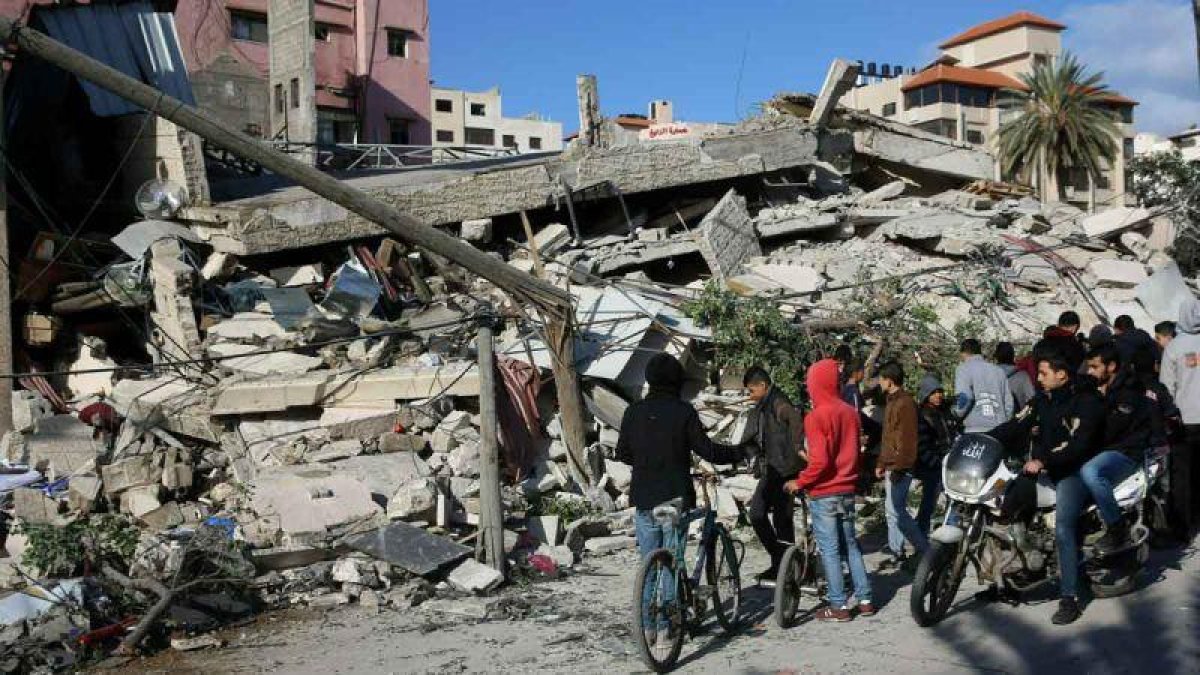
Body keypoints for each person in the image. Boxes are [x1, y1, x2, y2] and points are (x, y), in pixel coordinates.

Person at [615, 354, 747, 646]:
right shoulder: (683, 411)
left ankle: (648, 628)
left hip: (644, 499)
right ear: (676, 382)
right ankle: (668, 626)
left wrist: (647, 459)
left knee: (649, 562)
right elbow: (708, 450)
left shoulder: (633, 412)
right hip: (674, 498)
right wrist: (739, 452)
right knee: (671, 564)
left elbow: (622, 453)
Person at [989, 351, 1105, 625]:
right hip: (1046, 468)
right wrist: (981, 438)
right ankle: (1007, 578)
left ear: (1061, 374)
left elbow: (1079, 445)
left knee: (1064, 528)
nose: (1038, 378)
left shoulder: (1086, 401)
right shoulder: (1043, 399)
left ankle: (1070, 598)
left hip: (1074, 471)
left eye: (1043, 373)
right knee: (1006, 506)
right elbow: (1016, 424)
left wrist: (1043, 460)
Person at [785, 359, 874, 621]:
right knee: (851, 545)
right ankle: (865, 599)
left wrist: (800, 481)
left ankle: (838, 606)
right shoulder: (849, 412)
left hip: (824, 493)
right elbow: (855, 452)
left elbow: (820, 462)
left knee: (831, 550)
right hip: (847, 489)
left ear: (815, 384)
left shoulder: (815, 417)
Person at [1080, 345, 1154, 553]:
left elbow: (1112, 428)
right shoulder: (1100, 388)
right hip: (1107, 448)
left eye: (1095, 367)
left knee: (1090, 472)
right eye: (1088, 367)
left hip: (1126, 451)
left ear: (1111, 366)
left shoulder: (1128, 391)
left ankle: (1116, 527)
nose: (1090, 372)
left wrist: (1099, 400)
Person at [743, 366, 806, 579]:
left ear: (762, 385)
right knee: (757, 514)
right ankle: (781, 560)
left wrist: (798, 446)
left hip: (786, 471)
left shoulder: (778, 402)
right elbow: (752, 438)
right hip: (771, 470)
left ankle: (788, 569)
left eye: (752, 391)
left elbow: (794, 418)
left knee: (782, 520)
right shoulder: (763, 406)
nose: (750, 396)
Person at [876, 361, 928, 565]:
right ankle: (897, 552)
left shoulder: (904, 403)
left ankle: (925, 551)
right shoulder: (892, 401)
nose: (879, 382)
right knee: (892, 511)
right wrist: (882, 462)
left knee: (898, 512)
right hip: (892, 464)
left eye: (881, 379)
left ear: (889, 381)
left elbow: (908, 439)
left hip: (900, 466)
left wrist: (900, 466)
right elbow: (888, 436)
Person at [1160, 296, 1200, 538]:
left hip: (1184, 420)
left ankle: (1183, 525)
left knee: (1182, 472)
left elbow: (1167, 388)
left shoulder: (1174, 347)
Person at [915, 373, 955, 537]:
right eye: (933, 392)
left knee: (951, 501)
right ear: (926, 395)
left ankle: (949, 530)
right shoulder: (923, 416)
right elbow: (922, 445)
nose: (938, 395)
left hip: (945, 463)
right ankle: (920, 535)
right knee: (928, 503)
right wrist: (935, 462)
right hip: (933, 466)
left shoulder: (940, 412)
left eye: (940, 391)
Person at [953, 338, 1014, 433]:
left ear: (963, 353)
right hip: (999, 429)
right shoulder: (998, 371)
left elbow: (965, 398)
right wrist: (1004, 421)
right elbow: (1009, 404)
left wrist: (956, 414)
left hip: (975, 430)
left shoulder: (963, 369)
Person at [995, 341, 1036, 410]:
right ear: (1013, 356)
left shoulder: (988, 374)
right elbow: (1031, 398)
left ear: (996, 356)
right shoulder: (1023, 376)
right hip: (1014, 418)